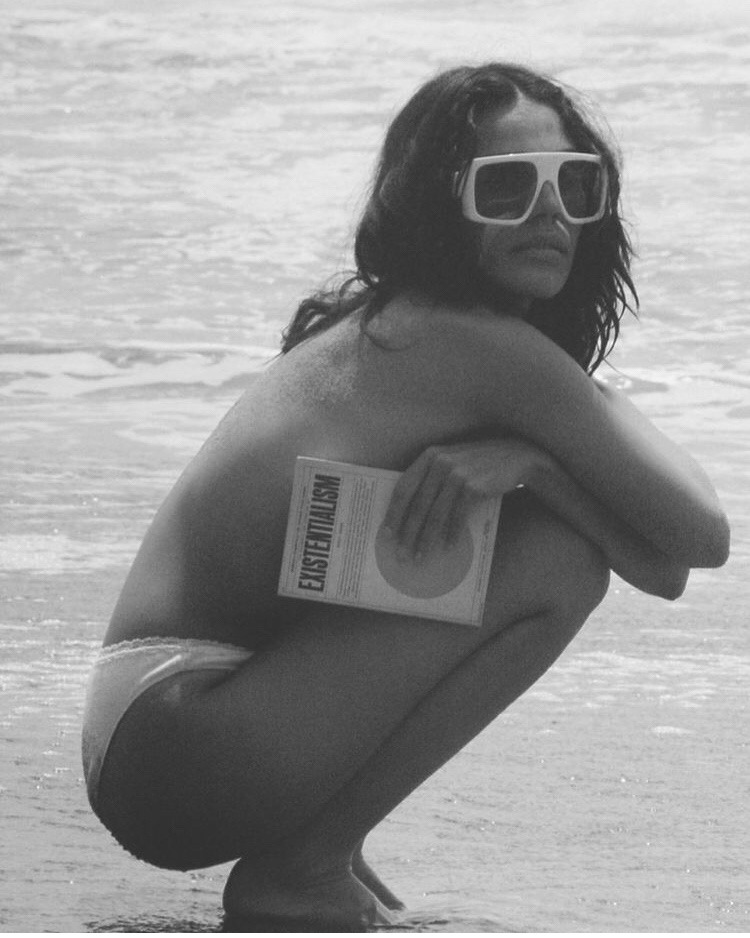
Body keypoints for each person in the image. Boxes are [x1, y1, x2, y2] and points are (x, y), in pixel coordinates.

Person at [81, 62, 730, 930]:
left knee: (557, 542)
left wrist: (534, 469)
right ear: (439, 203)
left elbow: (668, 563)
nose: (549, 213)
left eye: (575, 185)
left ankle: (317, 848)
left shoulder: (404, 326)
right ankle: (303, 866)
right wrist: (537, 470)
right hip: (183, 739)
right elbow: (701, 536)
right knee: (558, 560)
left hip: (157, 732)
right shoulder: (471, 346)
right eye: (508, 186)